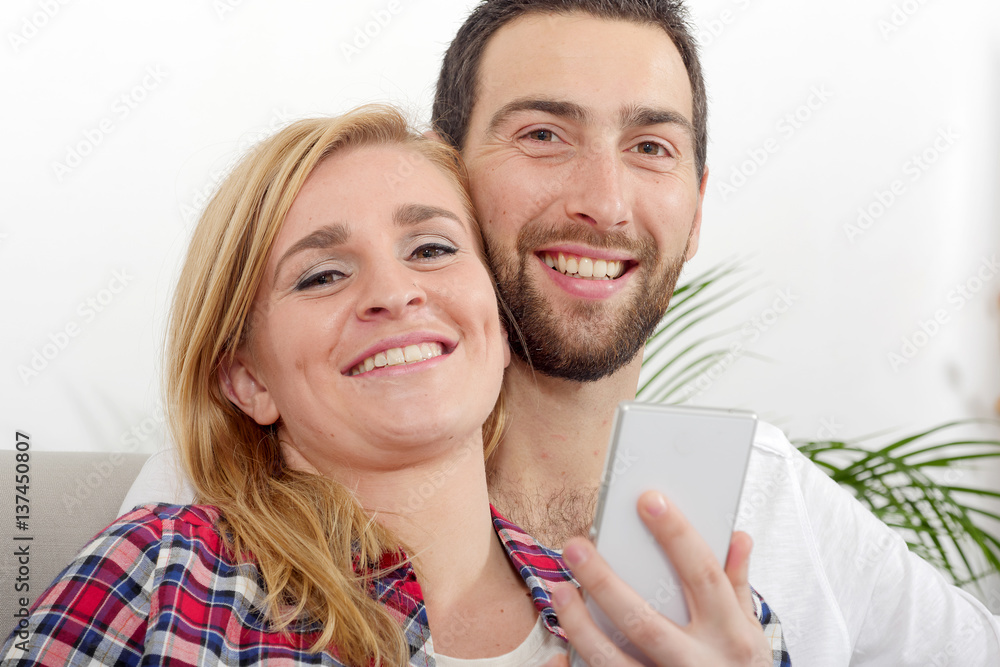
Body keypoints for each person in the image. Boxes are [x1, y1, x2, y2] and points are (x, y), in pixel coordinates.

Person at [121, 0, 1000, 663]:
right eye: (544, 133)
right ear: (446, 176)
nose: (604, 201)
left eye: (652, 147)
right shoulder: (215, 521)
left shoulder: (775, 503)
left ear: (696, 214)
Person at [2, 106, 785, 666]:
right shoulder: (159, 572)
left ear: (499, 322)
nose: (394, 291)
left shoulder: (674, 620)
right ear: (247, 379)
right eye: (323, 273)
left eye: (434, 248)